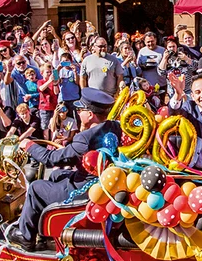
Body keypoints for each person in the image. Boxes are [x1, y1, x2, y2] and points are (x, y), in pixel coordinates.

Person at [10, 88, 121, 251]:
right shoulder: (114, 126)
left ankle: (26, 236)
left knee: (35, 188)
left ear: (90, 114)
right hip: (102, 183)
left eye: (80, 109)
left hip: (86, 190)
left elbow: (50, 159)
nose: (77, 112)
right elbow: (67, 158)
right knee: (56, 174)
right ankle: (44, 228)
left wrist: (30, 146)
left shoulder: (84, 137)